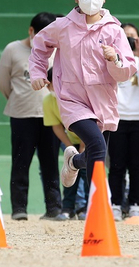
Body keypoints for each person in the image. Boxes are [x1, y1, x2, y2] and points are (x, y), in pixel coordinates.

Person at [29, 0, 137, 192]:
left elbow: (126, 71)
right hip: (72, 99)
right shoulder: (63, 26)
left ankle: (74, 161)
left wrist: (115, 59)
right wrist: (38, 73)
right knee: (97, 145)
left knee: (95, 152)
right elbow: (40, 45)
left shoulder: (114, 31)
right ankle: (97, 206)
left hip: (102, 99)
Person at [0, 12, 62, 221]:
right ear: (31, 31)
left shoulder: (55, 51)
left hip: (50, 116)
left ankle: (54, 208)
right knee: (20, 162)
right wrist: (19, 99)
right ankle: (19, 209)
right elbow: (3, 83)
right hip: (21, 116)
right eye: (40, 34)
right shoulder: (12, 49)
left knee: (50, 163)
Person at [107, 23, 139, 221]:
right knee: (117, 165)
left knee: (137, 166)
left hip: (138, 119)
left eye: (132, 38)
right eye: (124, 37)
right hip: (118, 119)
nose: (129, 40)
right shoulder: (112, 60)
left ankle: (135, 205)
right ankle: (116, 204)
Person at [42, 67, 88, 221]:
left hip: (88, 137)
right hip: (71, 140)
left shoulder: (77, 96)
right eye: (52, 83)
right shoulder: (48, 101)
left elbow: (87, 120)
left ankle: (88, 207)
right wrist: (70, 148)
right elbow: (56, 126)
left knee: (87, 172)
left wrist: (83, 145)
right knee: (70, 171)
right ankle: (68, 208)